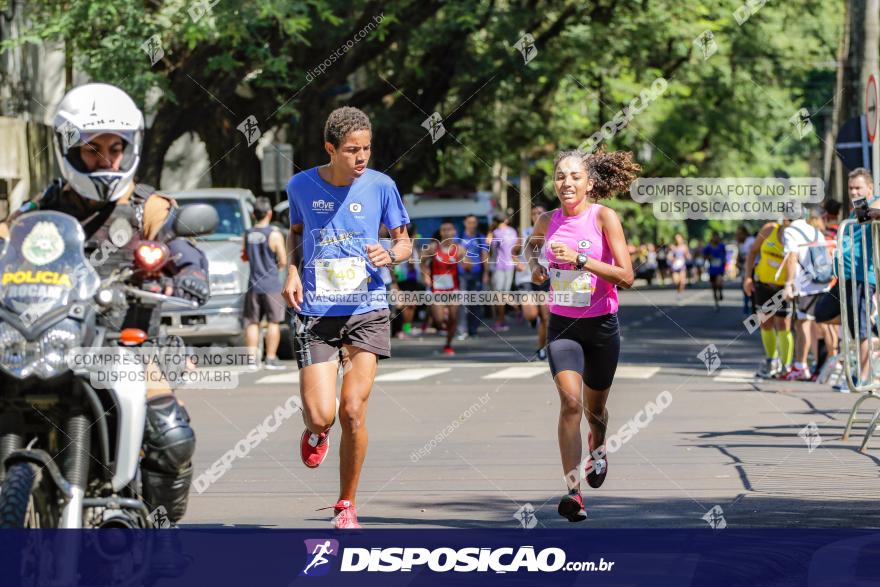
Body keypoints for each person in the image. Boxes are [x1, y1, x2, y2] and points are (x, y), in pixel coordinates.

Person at [0, 84, 209, 548]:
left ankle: (161, 537)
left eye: (117, 149)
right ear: (69, 150)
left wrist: (190, 274)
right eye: (93, 150)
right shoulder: (37, 212)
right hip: (47, 337)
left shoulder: (148, 208)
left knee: (170, 435)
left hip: (126, 342)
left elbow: (183, 249)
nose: (107, 161)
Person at [282, 106, 412, 529]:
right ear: (330, 149)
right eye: (352, 150)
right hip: (317, 312)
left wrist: (390, 254)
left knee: (353, 410)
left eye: (367, 149)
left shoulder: (381, 186)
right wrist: (291, 271)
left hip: (367, 309)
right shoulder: (300, 185)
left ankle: (346, 503)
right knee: (323, 414)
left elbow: (404, 242)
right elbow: (296, 233)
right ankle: (316, 432)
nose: (361, 158)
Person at [527, 149, 638, 522]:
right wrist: (536, 268)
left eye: (574, 176)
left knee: (596, 410)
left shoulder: (604, 216)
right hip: (564, 326)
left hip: (603, 325)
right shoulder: (547, 220)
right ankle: (574, 493)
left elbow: (626, 275)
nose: (566, 183)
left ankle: (599, 445)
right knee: (571, 404)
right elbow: (531, 248)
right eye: (560, 176)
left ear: (589, 183)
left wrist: (580, 259)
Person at [814, 169, 879, 389]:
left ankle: (863, 378)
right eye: (851, 188)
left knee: (861, 332)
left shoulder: (873, 204)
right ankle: (874, 333)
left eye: (858, 188)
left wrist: (871, 213)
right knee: (822, 312)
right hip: (844, 277)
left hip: (863, 277)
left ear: (870, 188)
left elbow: (878, 213)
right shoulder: (856, 211)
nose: (853, 191)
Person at [780, 210, 833, 381]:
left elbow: (791, 257)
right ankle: (831, 363)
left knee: (802, 324)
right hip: (823, 283)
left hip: (805, 286)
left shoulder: (790, 231)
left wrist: (788, 284)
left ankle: (801, 366)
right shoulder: (815, 230)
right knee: (825, 326)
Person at [743, 219, 793, 378]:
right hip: (763, 284)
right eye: (787, 218)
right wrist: (747, 278)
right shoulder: (769, 229)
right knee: (765, 323)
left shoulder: (795, 235)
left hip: (783, 287)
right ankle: (771, 360)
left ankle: (786, 365)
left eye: (792, 219)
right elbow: (752, 251)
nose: (788, 221)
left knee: (783, 323)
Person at [242, 196, 287, 370]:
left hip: (253, 284)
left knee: (253, 322)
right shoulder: (274, 234)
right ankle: (270, 358)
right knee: (273, 322)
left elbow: (245, 256)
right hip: (271, 284)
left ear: (254, 214)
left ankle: (252, 360)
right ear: (269, 213)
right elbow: (282, 260)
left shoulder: (247, 233)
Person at [421, 219, 469, 355]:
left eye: (450, 229)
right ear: (441, 232)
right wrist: (426, 274)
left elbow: (468, 265)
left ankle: (448, 344)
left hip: (453, 289)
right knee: (439, 320)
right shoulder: (433, 248)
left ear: (454, 232)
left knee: (454, 318)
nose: (447, 232)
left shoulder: (459, 249)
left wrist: (465, 264)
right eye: (444, 230)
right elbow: (422, 262)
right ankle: (438, 317)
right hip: (437, 290)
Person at [457, 214, 490, 338]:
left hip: (477, 274)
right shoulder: (459, 237)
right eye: (469, 222)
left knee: (475, 303)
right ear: (465, 223)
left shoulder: (480, 238)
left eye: (474, 222)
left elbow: (485, 256)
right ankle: (462, 330)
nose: (471, 225)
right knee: (463, 302)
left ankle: (473, 330)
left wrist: (486, 273)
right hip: (462, 275)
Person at [488, 213, 518, 331]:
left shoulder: (496, 232)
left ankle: (501, 321)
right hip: (511, 265)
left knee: (499, 295)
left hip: (499, 266)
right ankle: (517, 310)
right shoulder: (513, 231)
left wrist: (490, 233)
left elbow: (489, 245)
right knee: (505, 293)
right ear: (506, 220)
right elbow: (516, 247)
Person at [735, 225, 756, 315]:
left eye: (739, 234)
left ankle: (753, 311)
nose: (737, 236)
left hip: (753, 269)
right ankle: (747, 310)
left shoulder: (751, 241)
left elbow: (750, 256)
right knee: (745, 290)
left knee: (752, 291)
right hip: (745, 270)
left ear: (744, 233)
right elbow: (740, 258)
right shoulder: (741, 244)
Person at [703, 232, 726, 309]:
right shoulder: (708, 247)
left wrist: (724, 260)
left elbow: (725, 254)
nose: (715, 239)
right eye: (714, 237)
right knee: (713, 286)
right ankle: (716, 302)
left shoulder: (722, 246)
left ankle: (720, 291)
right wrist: (708, 257)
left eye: (717, 237)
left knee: (719, 282)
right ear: (712, 238)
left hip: (720, 268)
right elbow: (704, 256)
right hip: (712, 269)